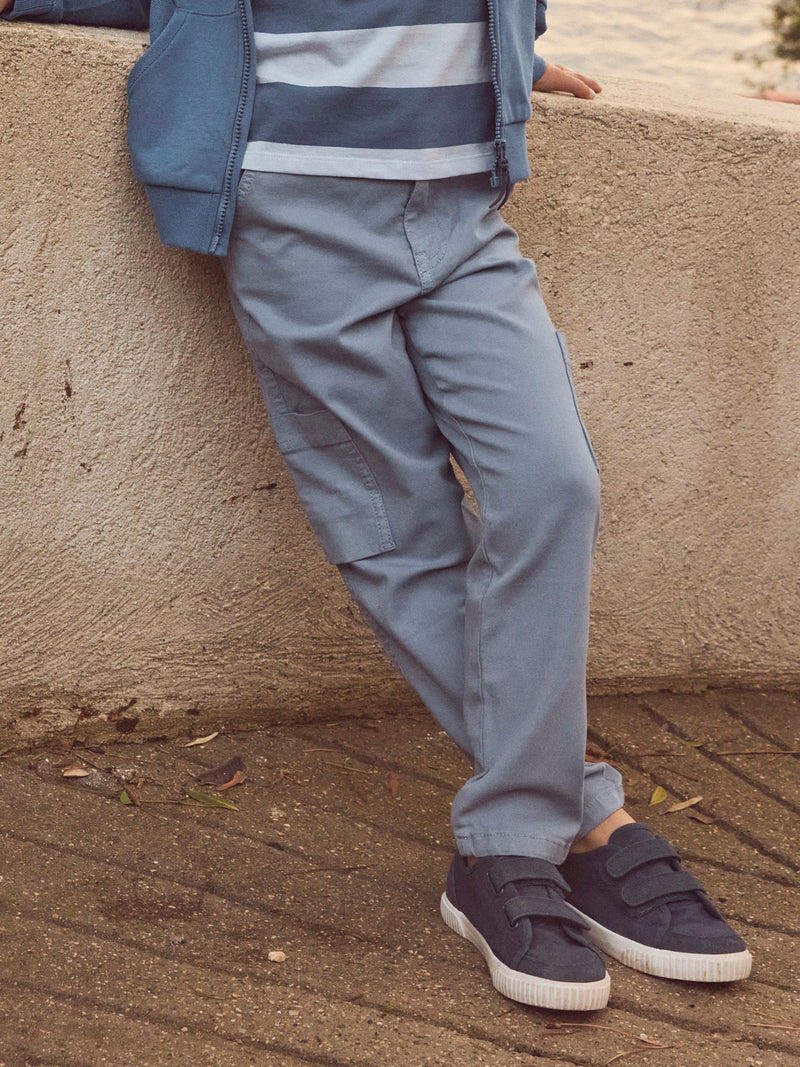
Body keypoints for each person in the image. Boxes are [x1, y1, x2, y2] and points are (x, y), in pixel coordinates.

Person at [1, 0, 752, 1011]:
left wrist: (509, 47)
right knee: (394, 519)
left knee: (552, 483)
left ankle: (531, 830)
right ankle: (569, 826)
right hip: (293, 199)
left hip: (462, 202)